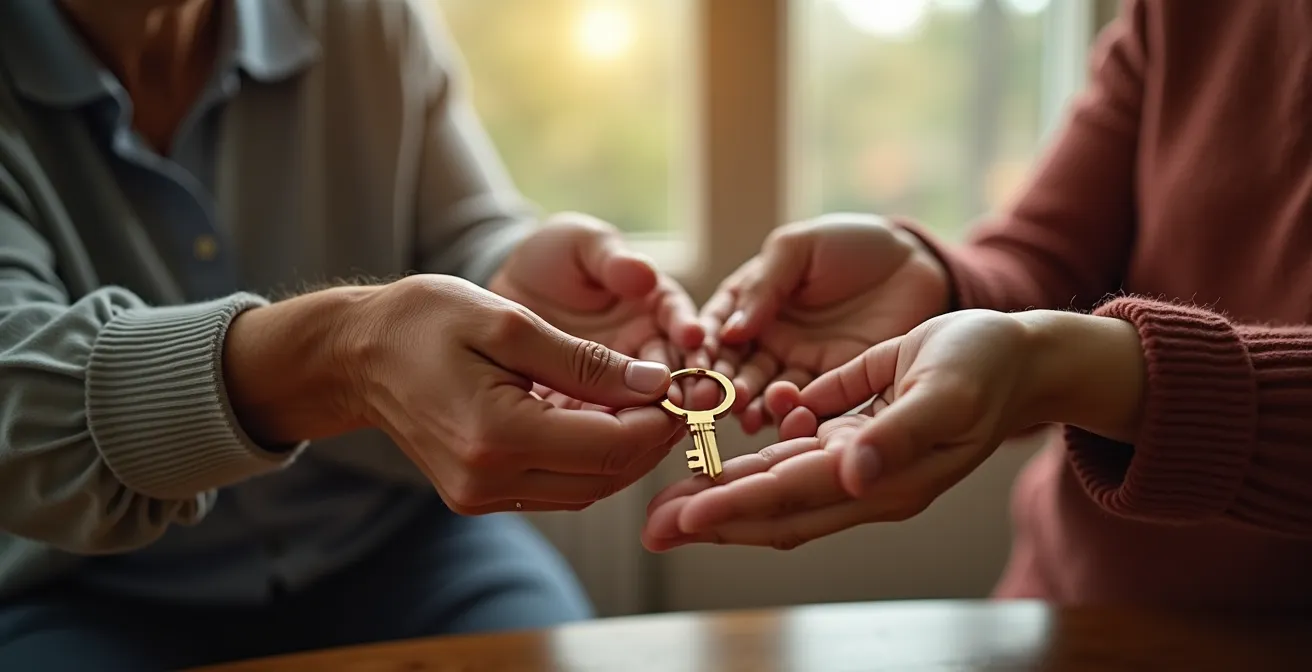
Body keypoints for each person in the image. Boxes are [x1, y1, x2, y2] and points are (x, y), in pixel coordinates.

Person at [0, 0, 703, 668]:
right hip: (80, 587)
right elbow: (19, 399)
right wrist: (340, 357)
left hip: (401, 541)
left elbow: (464, 232)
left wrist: (512, 288)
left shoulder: (367, 15)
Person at [646, 0, 1312, 611]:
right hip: (1062, 611)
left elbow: (1044, 345)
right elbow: (1052, 257)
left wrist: (1072, 367)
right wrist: (939, 285)